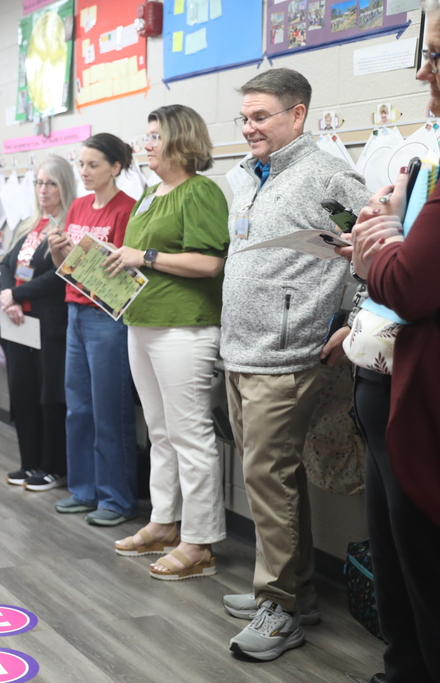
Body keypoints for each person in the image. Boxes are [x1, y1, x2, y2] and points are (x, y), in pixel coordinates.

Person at [218, 68, 370, 661]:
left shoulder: (327, 173)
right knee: (276, 479)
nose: (250, 127)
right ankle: (298, 591)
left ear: (297, 114)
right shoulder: (256, 176)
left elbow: (380, 243)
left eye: (261, 117)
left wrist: (354, 320)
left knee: (268, 479)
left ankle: (278, 608)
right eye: (246, 117)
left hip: (287, 354)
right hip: (244, 351)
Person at [347, 11, 440, 676]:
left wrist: (367, 255)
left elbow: (409, 282)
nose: (422, 71)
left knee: (422, 563)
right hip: (386, 378)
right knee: (398, 550)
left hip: (421, 398)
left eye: (435, 55)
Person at [105, 105, 229, 585]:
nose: (146, 144)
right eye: (147, 134)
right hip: (143, 322)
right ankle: (163, 523)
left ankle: (199, 543)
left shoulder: (200, 191)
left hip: (184, 327)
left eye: (155, 136)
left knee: (190, 435)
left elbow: (209, 263)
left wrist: (146, 255)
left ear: (181, 140)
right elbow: (135, 260)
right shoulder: (150, 195)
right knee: (159, 431)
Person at [48, 134, 139, 523]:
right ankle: (83, 489)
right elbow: (65, 267)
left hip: (108, 317)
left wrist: (80, 257)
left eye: (93, 165)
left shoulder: (127, 210)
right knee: (79, 408)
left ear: (115, 168)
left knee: (109, 410)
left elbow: (124, 272)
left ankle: (115, 499)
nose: (84, 172)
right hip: (75, 312)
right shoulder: (79, 206)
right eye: (81, 165)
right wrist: (58, 250)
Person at [0, 156, 75, 492]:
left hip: (50, 325)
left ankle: (52, 466)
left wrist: (14, 294)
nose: (43, 190)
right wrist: (8, 296)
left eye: (51, 183)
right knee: (23, 392)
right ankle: (29, 461)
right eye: (39, 183)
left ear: (65, 186)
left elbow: (59, 277)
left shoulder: (69, 226)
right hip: (18, 322)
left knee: (50, 395)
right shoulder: (31, 224)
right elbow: (5, 262)